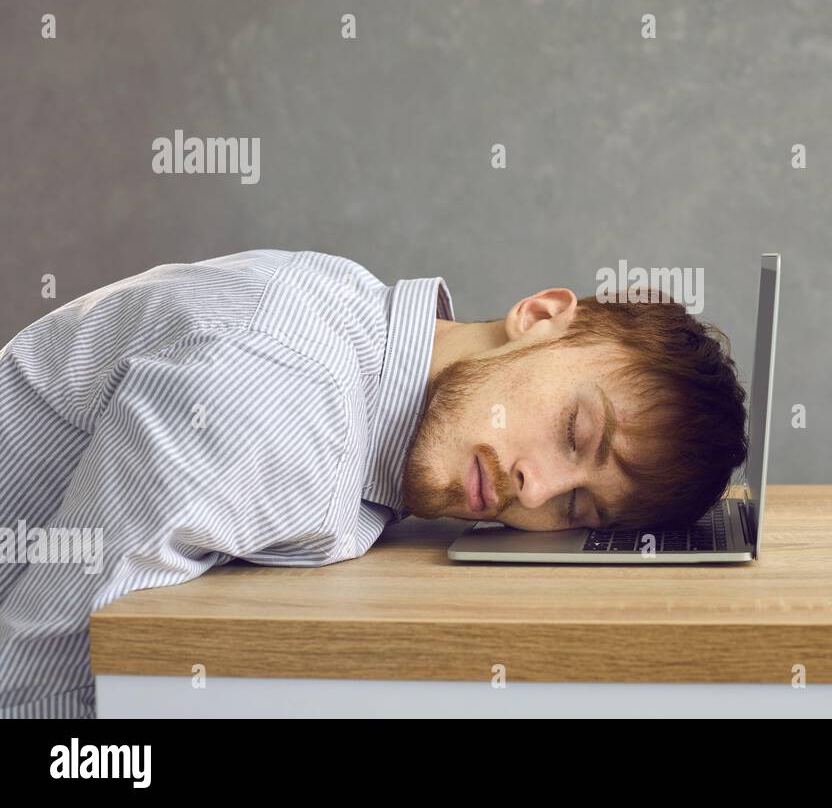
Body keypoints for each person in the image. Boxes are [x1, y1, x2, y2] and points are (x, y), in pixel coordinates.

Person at [0, 249, 747, 717]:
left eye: (579, 506)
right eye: (576, 431)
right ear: (542, 316)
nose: (536, 488)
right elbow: (37, 692)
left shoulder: (364, 330)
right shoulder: (277, 397)